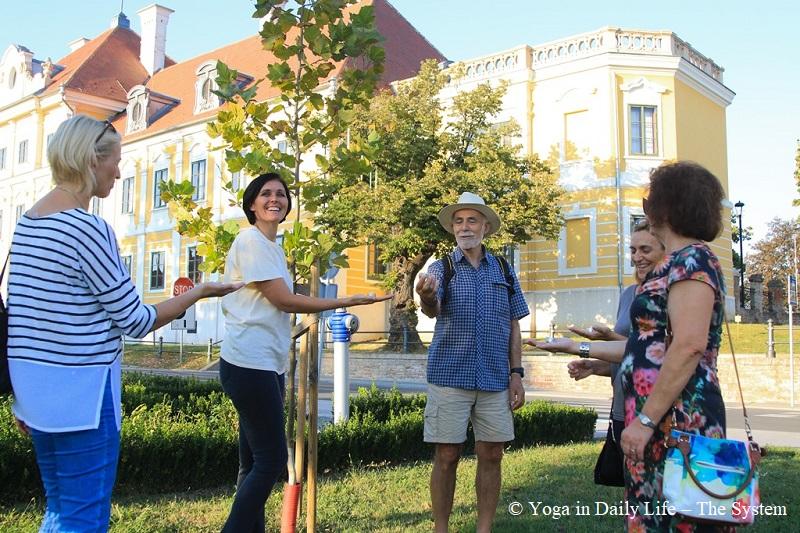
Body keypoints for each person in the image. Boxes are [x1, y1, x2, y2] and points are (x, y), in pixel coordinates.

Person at [6, 114, 243, 532]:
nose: (118, 172)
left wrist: (23, 395)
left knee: (60, 509)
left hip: (37, 395)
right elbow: (135, 320)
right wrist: (199, 292)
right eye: (115, 161)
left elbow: (24, 318)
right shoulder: (88, 228)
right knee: (84, 517)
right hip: (83, 396)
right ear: (90, 160)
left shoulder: (27, 225)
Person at [526, 161, 729, 532]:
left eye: (651, 196)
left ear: (669, 205)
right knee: (650, 520)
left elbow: (687, 347)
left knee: (684, 521)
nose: (646, 203)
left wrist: (647, 420)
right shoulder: (671, 264)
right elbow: (646, 348)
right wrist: (576, 348)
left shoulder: (693, 260)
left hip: (678, 419)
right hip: (655, 419)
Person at [218, 172, 391, 533]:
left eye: (281, 194)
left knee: (252, 463)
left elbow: (283, 290)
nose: (274, 199)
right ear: (252, 204)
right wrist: (345, 300)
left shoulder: (272, 248)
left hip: (265, 362)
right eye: (265, 194)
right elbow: (282, 299)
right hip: (249, 362)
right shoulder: (249, 240)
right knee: (271, 460)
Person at [415, 192, 528, 533]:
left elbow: (513, 325)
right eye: (459, 221)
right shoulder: (440, 268)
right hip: (450, 377)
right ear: (453, 228)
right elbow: (432, 308)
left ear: (485, 227)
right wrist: (426, 296)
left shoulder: (504, 269)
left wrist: (517, 374)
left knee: (492, 454)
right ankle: (441, 527)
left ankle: (484, 528)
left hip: (495, 379)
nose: (465, 227)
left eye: (472, 220)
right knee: (447, 455)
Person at [564, 221, 665, 481]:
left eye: (645, 249)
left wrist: (582, 347)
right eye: (633, 250)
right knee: (632, 493)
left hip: (655, 409)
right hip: (622, 405)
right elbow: (630, 355)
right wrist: (596, 367)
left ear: (666, 251)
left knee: (660, 493)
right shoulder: (629, 294)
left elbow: (652, 352)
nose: (637, 257)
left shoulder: (671, 293)